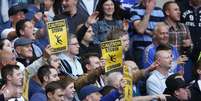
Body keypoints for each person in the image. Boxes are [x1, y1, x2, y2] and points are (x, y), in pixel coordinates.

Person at [129, 0, 165, 68]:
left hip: (157, 50)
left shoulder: (159, 11)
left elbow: (161, 34)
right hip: (140, 50)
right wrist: (148, 12)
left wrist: (147, 31)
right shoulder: (134, 9)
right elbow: (140, 29)